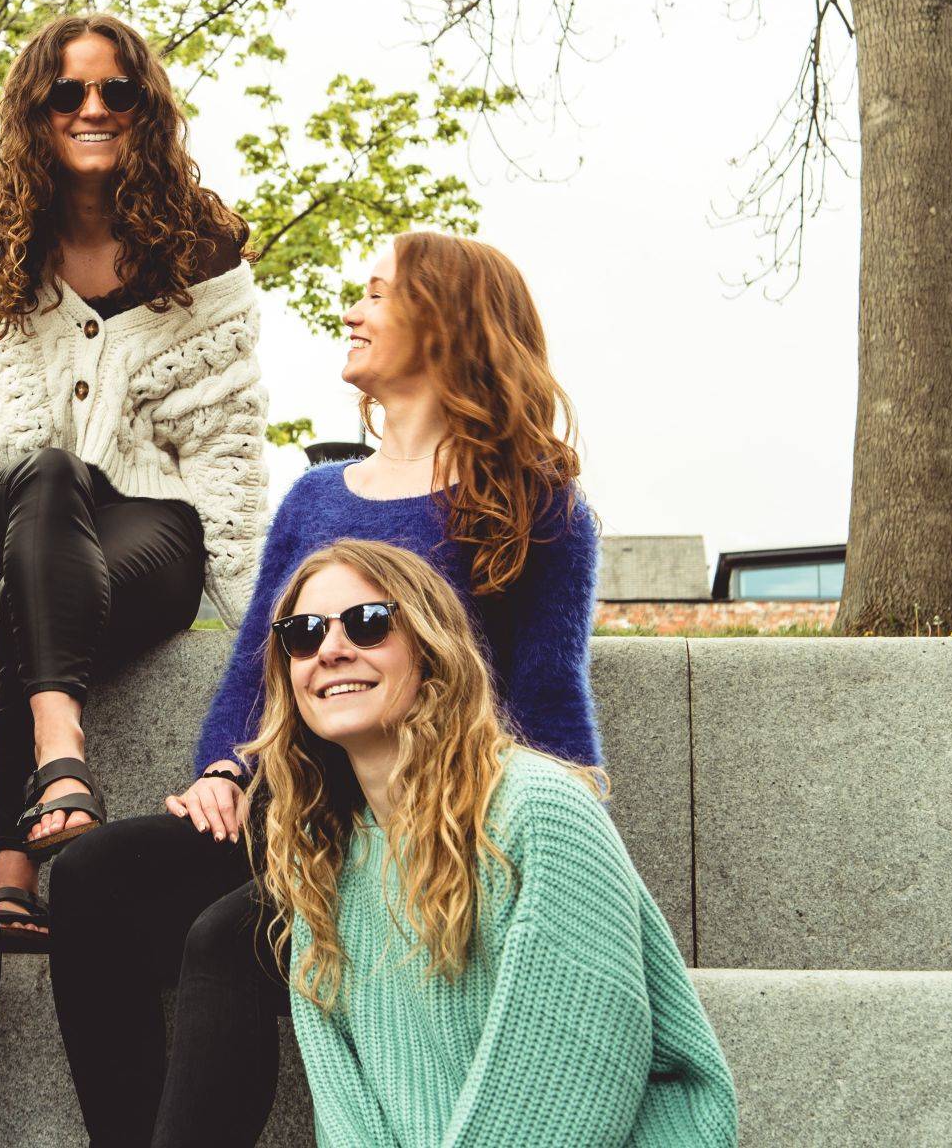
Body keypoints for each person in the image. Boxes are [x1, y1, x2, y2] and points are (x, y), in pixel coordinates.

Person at [51, 231, 601, 1145]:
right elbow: (256, 665)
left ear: (446, 320)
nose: (351, 311)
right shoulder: (316, 496)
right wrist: (225, 770)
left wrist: (561, 852)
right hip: (294, 808)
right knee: (94, 875)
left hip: (424, 821)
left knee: (229, 938)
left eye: (377, 294)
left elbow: (547, 696)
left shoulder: (531, 500)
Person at [0, 12, 268, 950]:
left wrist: (264, 623)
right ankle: (58, 758)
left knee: (49, 575)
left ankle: (15, 854)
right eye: (68, 92)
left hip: (146, 531)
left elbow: (226, 445)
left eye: (117, 90)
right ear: (36, 111)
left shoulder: (204, 252)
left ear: (148, 109)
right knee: (48, 481)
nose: (93, 107)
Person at [249, 539, 737, 1146]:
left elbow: (575, 1068)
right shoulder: (319, 854)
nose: (331, 650)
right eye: (303, 634)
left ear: (431, 649)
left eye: (369, 624)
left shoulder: (538, 809)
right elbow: (345, 1105)